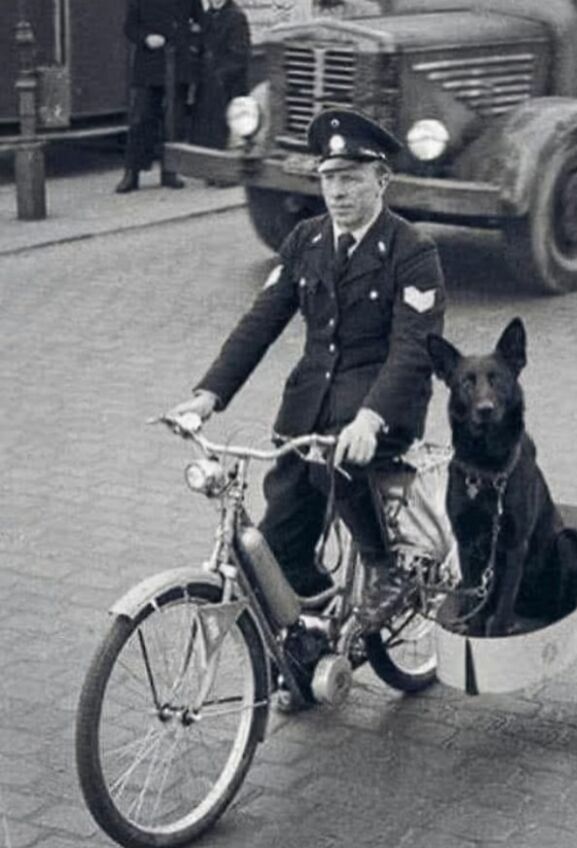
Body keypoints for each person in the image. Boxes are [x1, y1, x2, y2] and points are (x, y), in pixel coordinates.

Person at [168, 109, 446, 627]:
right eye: (329, 179)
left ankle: (386, 570)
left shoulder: (412, 251)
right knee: (273, 549)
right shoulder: (305, 241)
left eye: (351, 179)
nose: (337, 193)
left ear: (381, 180)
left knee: (334, 463)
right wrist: (208, 394)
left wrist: (371, 419)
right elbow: (261, 321)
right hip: (307, 412)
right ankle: (313, 625)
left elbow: (414, 348)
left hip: (378, 409)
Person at [116, 0, 200, 193]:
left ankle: (170, 172)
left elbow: (199, 23)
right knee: (141, 119)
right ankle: (132, 173)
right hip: (149, 66)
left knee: (173, 121)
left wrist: (188, 43)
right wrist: (146, 38)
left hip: (178, 65)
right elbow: (130, 28)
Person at [190, 0, 250, 153]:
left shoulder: (236, 17)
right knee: (205, 135)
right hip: (207, 83)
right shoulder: (208, 16)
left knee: (222, 134)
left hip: (227, 87)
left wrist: (219, 75)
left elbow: (239, 55)